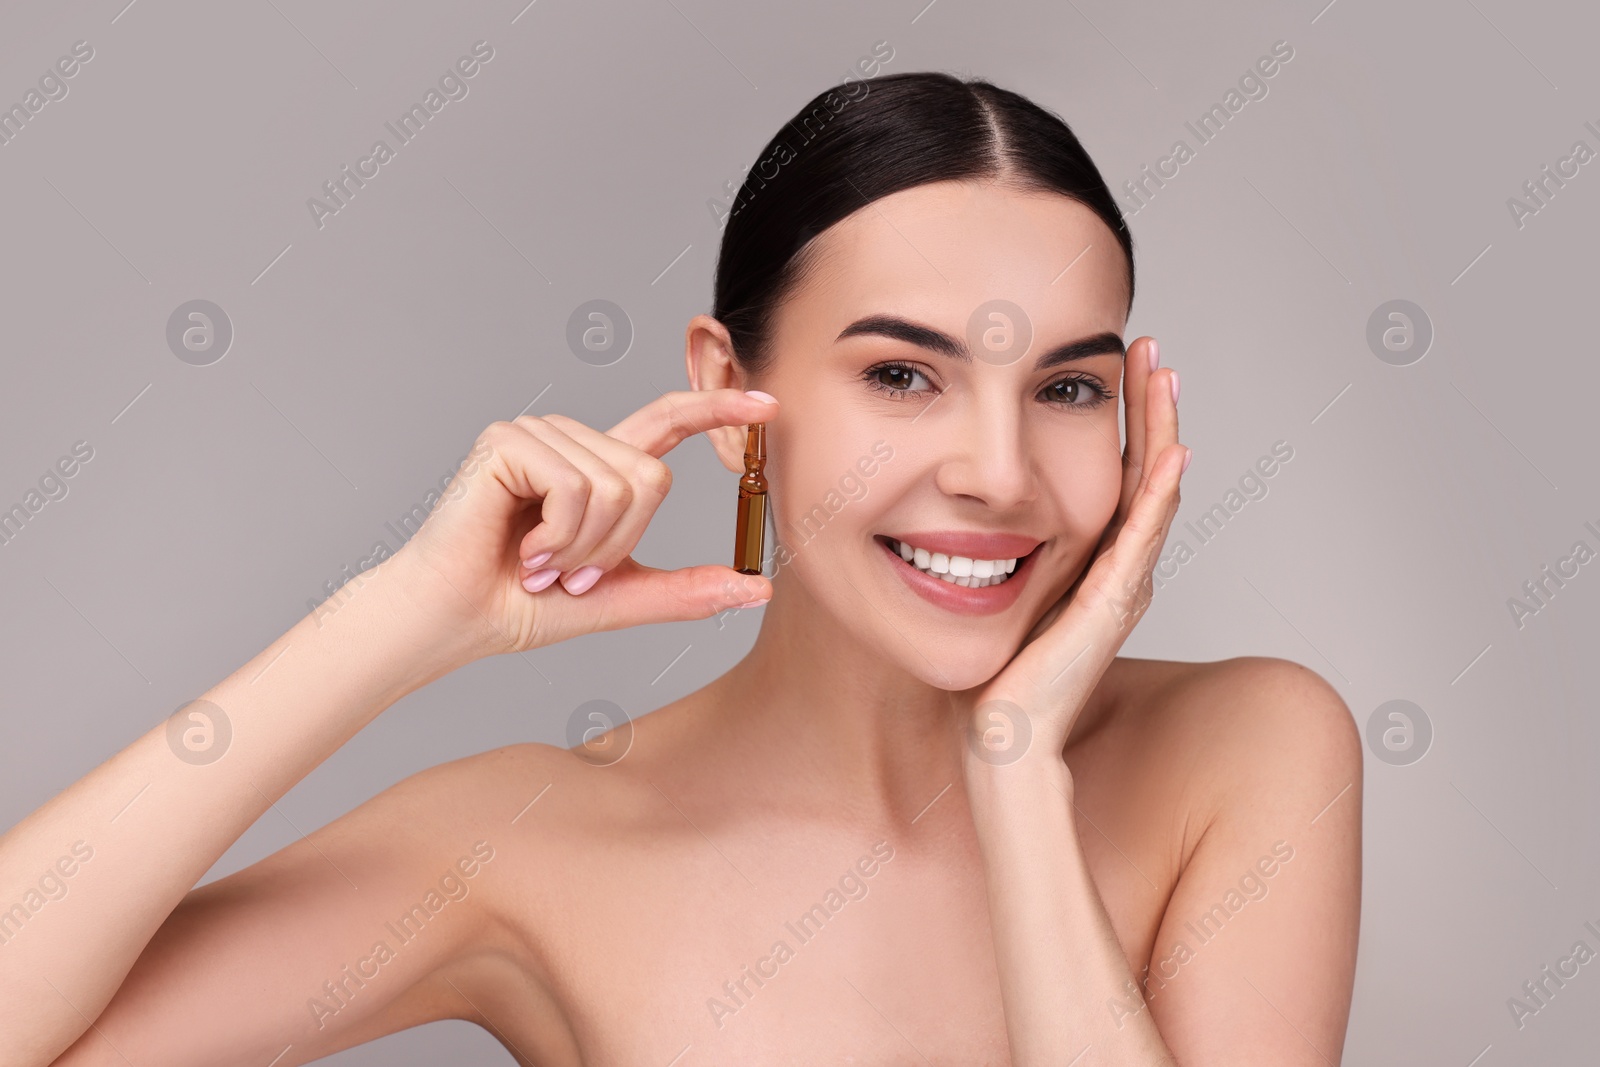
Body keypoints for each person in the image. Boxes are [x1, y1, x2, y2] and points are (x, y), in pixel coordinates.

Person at [1, 71, 1361, 1066]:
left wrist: (1014, 770)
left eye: (1067, 391)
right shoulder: (527, 841)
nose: (999, 474)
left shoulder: (1246, 750)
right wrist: (398, 617)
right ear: (733, 393)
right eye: (902, 374)